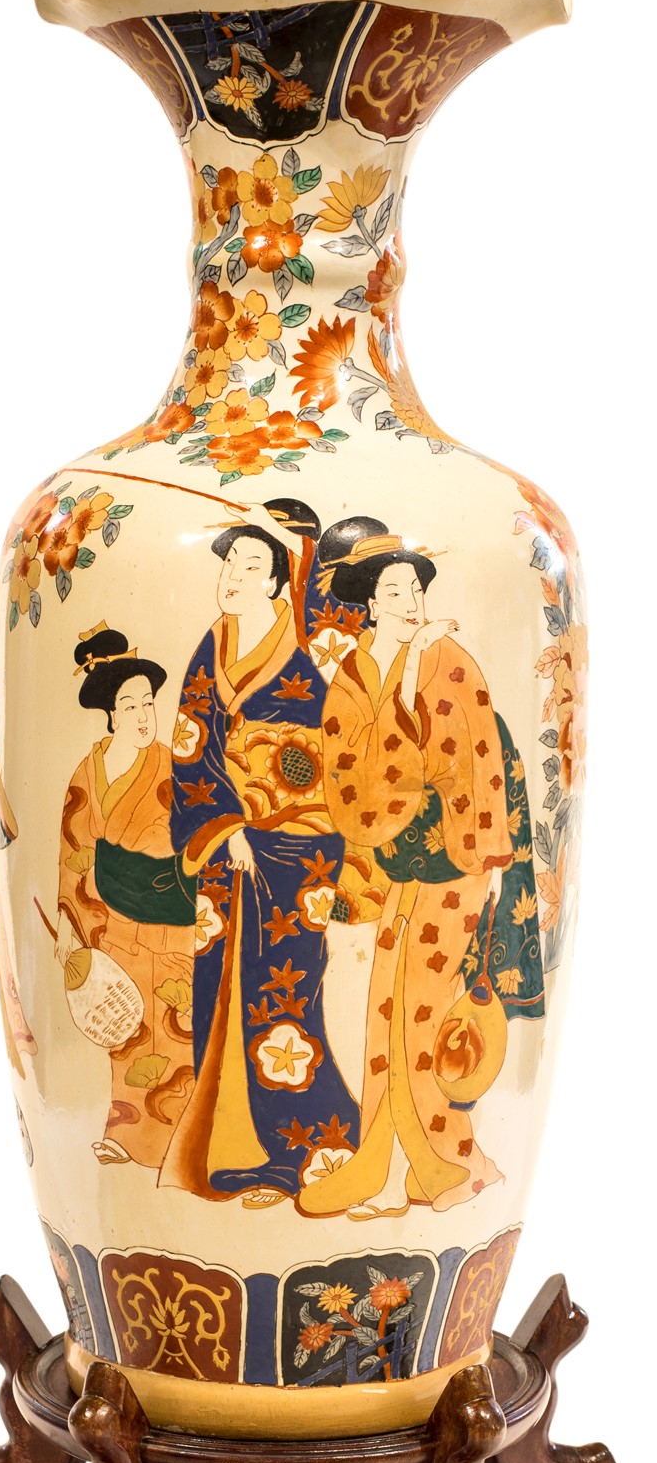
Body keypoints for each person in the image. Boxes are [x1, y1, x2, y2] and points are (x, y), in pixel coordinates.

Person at [297, 516, 542, 1220]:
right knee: (384, 1013)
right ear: (369, 603)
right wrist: (400, 691)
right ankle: (378, 1163)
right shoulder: (354, 675)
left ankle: (447, 1165)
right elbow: (349, 782)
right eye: (394, 590)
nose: (409, 602)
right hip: (392, 870)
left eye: (415, 588)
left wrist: (491, 864)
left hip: (454, 865)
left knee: (421, 1017)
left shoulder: (448, 659)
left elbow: (479, 764)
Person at [162, 503, 359, 1207]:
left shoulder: (304, 647)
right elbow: (190, 747)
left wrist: (309, 544)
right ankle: (233, 1148)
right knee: (220, 988)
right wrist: (226, 830)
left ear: (278, 583)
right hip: (228, 852)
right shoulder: (211, 647)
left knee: (286, 990)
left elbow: (336, 737)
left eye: (251, 566)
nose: (233, 576)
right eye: (228, 564)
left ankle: (306, 1144)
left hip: (299, 852)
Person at [56, 624, 195, 1167]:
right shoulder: (86, 773)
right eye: (130, 705)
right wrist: (70, 925)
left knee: (176, 1027)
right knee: (125, 1030)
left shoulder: (170, 766)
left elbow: (193, 840)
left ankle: (179, 1141)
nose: (143, 716)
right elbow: (74, 850)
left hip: (169, 918)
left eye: (148, 704)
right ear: (111, 715)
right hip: (110, 923)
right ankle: (127, 1135)